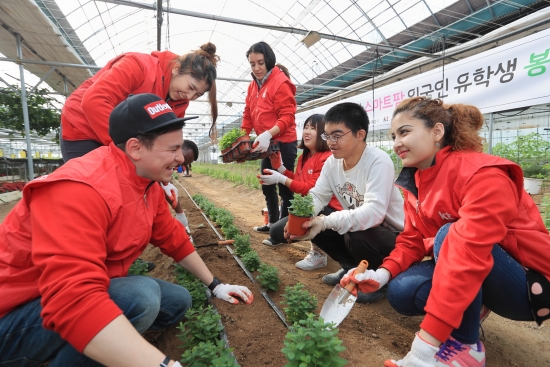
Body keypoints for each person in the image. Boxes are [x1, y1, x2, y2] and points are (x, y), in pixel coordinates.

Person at [0, 94, 253, 367]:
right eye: (173, 149)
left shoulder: (144, 183)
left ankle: (100, 344)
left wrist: (216, 285)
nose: (181, 157)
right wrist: (164, 365)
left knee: (178, 300)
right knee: (139, 297)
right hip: (15, 315)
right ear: (135, 148)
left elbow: (173, 238)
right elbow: (73, 300)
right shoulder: (79, 189)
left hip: (62, 298)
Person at [339, 96, 550, 367]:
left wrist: (425, 347)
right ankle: (472, 307)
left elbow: (468, 252)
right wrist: (381, 275)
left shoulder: (483, 174)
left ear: (437, 132)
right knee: (402, 290)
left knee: (450, 234)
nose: (396, 143)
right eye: (393, 135)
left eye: (404, 131)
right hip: (481, 268)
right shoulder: (417, 180)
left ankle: (466, 347)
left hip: (527, 284)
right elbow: (412, 239)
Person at [286, 102, 404, 303]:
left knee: (356, 232)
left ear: (360, 134)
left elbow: (374, 213)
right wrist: (301, 220)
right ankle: (352, 269)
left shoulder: (378, 161)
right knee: (319, 220)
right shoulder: (333, 162)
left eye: (337, 135)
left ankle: (379, 279)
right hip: (361, 229)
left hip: (391, 236)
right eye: (328, 135)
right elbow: (317, 196)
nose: (330, 142)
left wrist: (324, 222)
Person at [60, 42, 219, 161]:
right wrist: (127, 150)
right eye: (190, 87)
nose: (189, 97)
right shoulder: (139, 65)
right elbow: (94, 101)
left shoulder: (180, 102)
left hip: (124, 143)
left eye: (197, 95)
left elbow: (165, 137)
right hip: (84, 129)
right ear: (176, 68)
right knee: (93, 191)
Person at [259, 114, 342, 271]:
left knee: (314, 211)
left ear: (324, 135)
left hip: (328, 210)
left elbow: (310, 189)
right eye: (305, 127)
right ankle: (321, 245)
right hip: (312, 207)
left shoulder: (327, 158)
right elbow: (298, 181)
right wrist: (281, 167)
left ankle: (319, 253)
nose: (307, 132)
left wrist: (280, 179)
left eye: (313, 128)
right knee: (277, 233)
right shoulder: (304, 156)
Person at [241, 41, 298, 233]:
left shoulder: (280, 82)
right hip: (267, 143)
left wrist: (268, 133)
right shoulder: (252, 86)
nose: (256, 68)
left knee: (283, 186)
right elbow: (248, 112)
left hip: (283, 142)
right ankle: (273, 223)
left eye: (260, 62)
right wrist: (243, 135)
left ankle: (284, 230)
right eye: (252, 64)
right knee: (267, 184)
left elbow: (288, 117)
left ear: (269, 60)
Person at [161, 139, 199, 233]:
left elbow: (167, 181)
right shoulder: (156, 155)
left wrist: (180, 213)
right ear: (177, 147)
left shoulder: (168, 165)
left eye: (185, 163)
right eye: (184, 157)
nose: (181, 162)